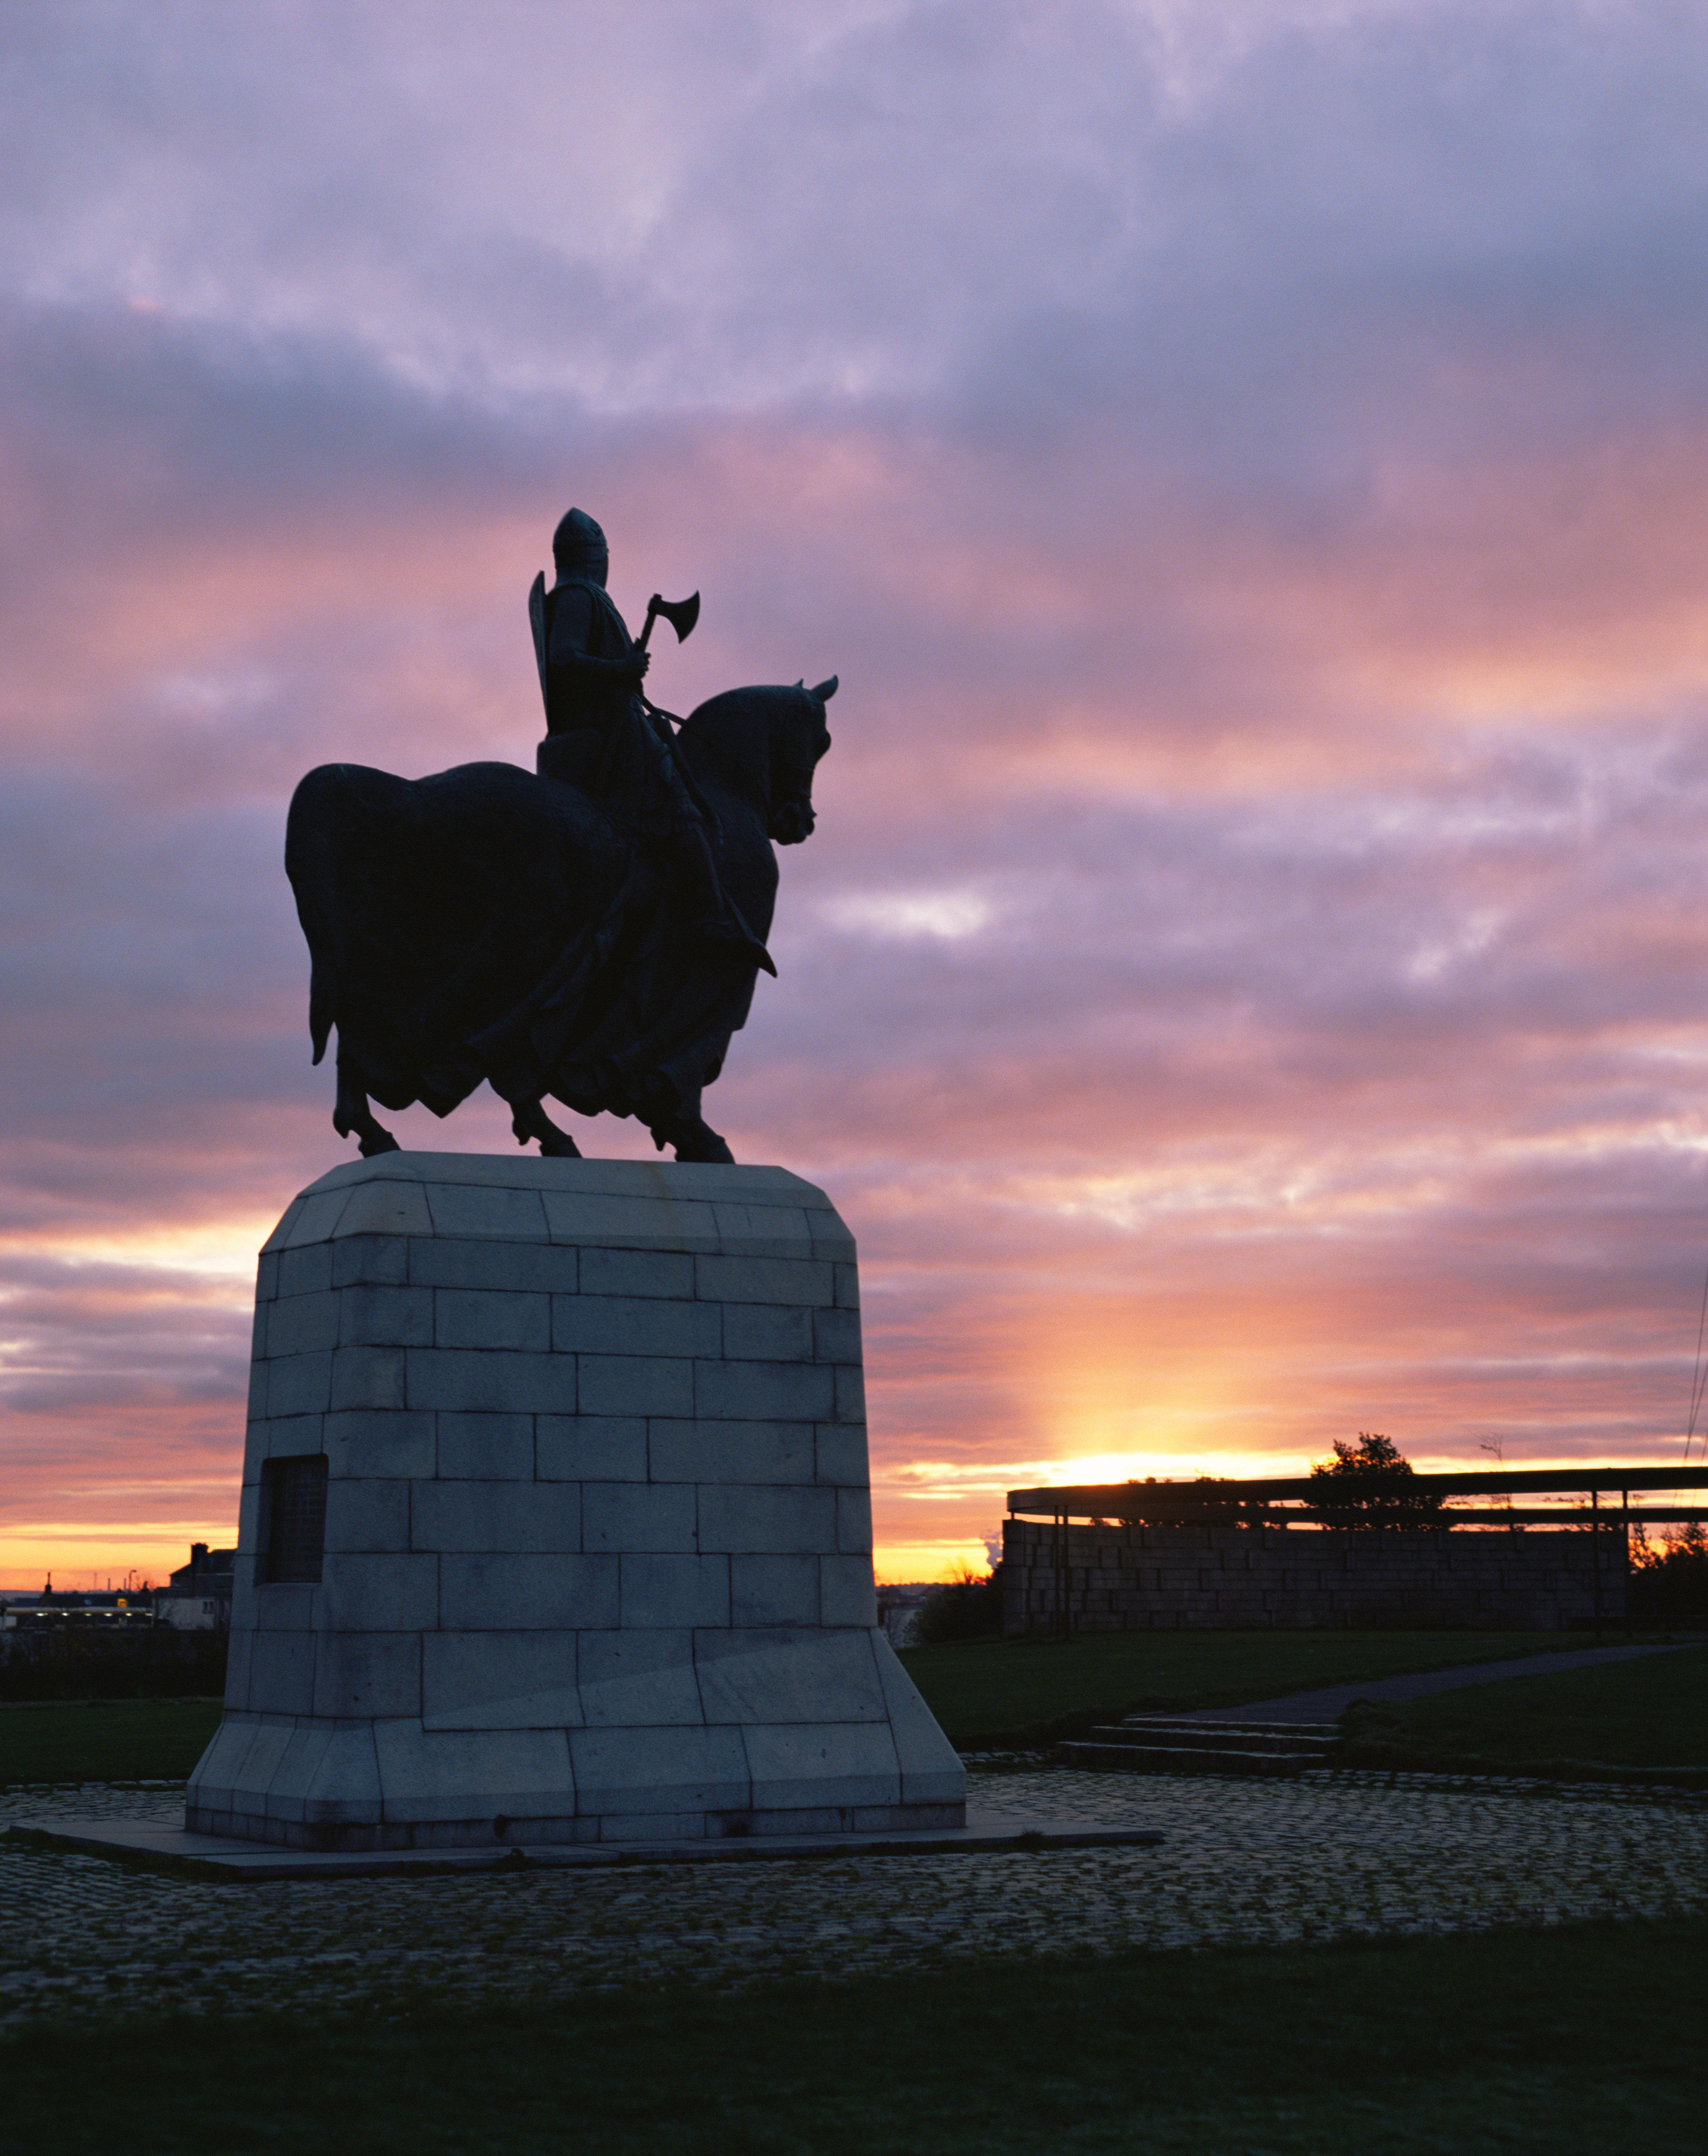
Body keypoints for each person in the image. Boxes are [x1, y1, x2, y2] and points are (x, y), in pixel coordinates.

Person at [530, 508, 773, 974]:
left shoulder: (588, 597)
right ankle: (709, 917)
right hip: (612, 734)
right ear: (597, 556)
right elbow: (563, 659)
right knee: (678, 803)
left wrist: (623, 672)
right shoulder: (579, 596)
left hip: (620, 720)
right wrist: (619, 670)